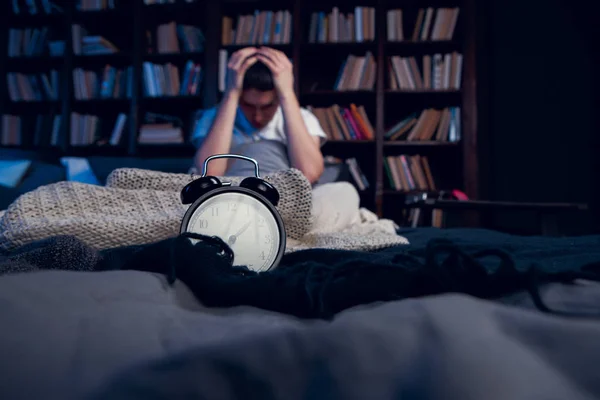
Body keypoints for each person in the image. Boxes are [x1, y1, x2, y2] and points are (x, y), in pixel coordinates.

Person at [191, 46, 327, 184]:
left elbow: (309, 174)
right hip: (229, 194)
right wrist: (231, 93)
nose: (257, 117)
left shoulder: (303, 118)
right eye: (248, 105)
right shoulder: (212, 117)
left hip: (283, 195)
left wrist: (287, 93)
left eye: (268, 106)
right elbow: (209, 174)